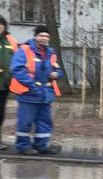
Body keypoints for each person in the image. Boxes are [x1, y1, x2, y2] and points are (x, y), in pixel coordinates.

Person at [9, 25, 63, 155]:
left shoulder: (51, 52)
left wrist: (57, 74)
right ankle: (23, 146)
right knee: (25, 122)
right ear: (35, 36)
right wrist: (32, 86)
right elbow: (17, 69)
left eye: (47, 36)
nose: (44, 38)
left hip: (45, 94)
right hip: (29, 93)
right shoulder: (25, 50)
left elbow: (57, 69)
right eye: (41, 35)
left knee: (45, 122)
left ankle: (41, 145)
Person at [0, 16, 18, 151]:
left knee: (1, 113)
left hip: (4, 84)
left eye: (1, 25)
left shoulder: (9, 40)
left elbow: (16, 58)